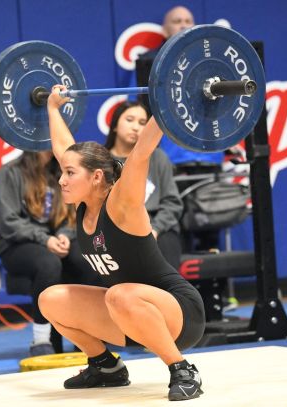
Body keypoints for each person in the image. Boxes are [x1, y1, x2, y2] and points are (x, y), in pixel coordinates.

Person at [39, 85, 206, 401]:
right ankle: (105, 366)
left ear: (96, 177)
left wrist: (165, 103)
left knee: (119, 294)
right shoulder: (84, 204)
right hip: (127, 311)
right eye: (63, 171)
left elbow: (141, 152)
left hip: (180, 313)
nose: (61, 179)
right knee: (51, 299)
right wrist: (53, 108)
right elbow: (64, 149)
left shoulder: (122, 204)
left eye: (70, 173)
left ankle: (183, 370)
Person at [0, 151, 99, 356]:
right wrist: (45, 239)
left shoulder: (63, 172)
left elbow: (75, 213)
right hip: (17, 244)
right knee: (49, 264)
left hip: (56, 239)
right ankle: (41, 338)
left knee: (87, 260)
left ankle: (88, 335)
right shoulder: (10, 172)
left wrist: (65, 234)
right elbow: (8, 222)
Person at [136, 5, 224, 253]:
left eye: (188, 20)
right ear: (165, 30)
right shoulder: (149, 62)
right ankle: (182, 276)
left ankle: (214, 276)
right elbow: (140, 108)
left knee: (211, 225)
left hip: (208, 154)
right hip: (171, 158)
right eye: (177, 21)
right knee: (177, 223)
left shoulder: (210, 59)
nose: (183, 25)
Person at [104, 101, 183, 270]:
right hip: (115, 229)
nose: (135, 127)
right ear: (115, 125)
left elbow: (172, 203)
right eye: (129, 120)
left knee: (166, 250)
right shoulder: (100, 162)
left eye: (142, 123)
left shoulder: (158, 158)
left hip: (156, 227)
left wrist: (155, 229)